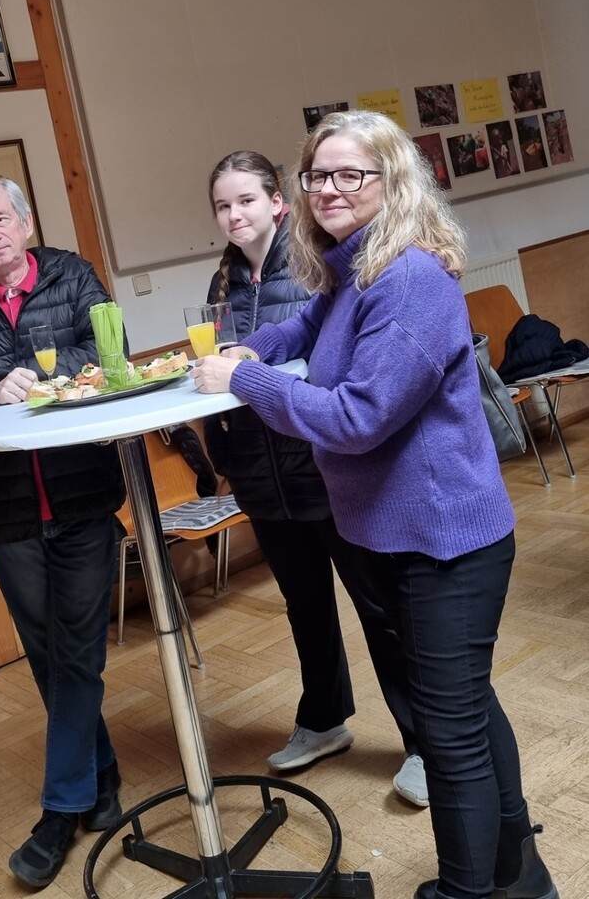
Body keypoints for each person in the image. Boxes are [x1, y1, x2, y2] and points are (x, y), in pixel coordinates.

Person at [190, 112, 558, 899]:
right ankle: (520, 879)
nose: (328, 189)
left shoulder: (407, 279)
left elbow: (358, 417)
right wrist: (256, 348)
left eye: (349, 174)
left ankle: (468, 891)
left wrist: (243, 381)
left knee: (449, 736)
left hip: (444, 542)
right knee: (466, 707)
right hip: (399, 535)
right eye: (317, 175)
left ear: (392, 182)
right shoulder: (354, 270)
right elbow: (304, 323)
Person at [0, 176, 125, 889]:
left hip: (83, 497)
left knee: (77, 654)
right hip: (7, 512)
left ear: (26, 223)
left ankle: (59, 811)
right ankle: (102, 777)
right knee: (49, 656)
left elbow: (110, 350)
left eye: (1, 219)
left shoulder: (74, 277)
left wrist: (39, 375)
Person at [203, 150, 427, 805]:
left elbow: (332, 368)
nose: (234, 215)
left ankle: (425, 742)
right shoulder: (222, 282)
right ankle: (324, 719)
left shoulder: (311, 265)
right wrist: (227, 455)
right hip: (263, 475)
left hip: (324, 468)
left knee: (378, 609)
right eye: (222, 205)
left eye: (246, 199)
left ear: (278, 201)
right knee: (304, 606)